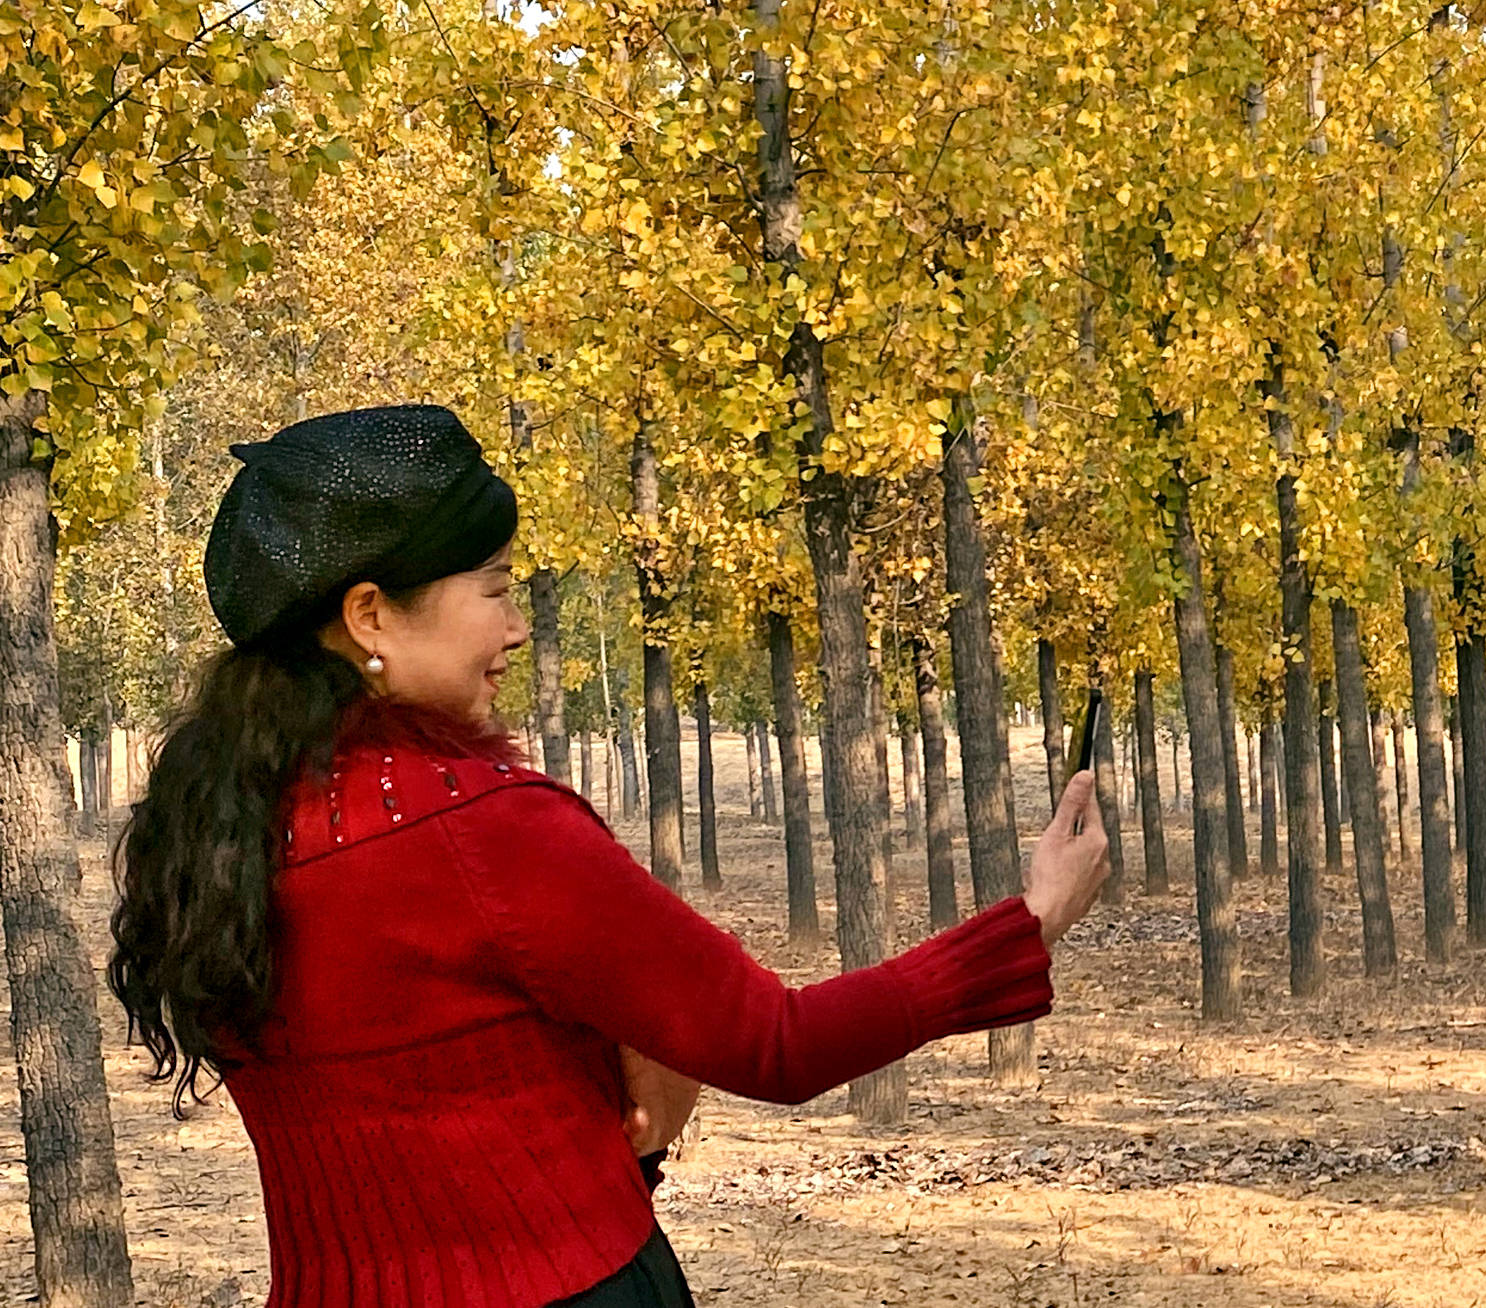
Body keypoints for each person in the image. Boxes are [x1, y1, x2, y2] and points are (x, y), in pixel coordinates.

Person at [108, 404, 1117, 1308]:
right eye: (496, 590)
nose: (514, 628)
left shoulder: (207, 836)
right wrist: (1028, 924)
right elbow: (779, 1043)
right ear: (370, 614)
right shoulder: (484, 830)